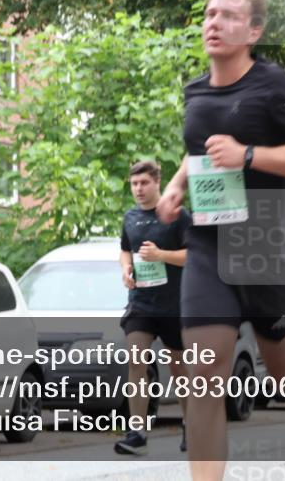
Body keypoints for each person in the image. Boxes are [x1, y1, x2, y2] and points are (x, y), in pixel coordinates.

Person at [156, 0, 285, 480]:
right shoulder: (196, 90)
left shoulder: (273, 85)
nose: (214, 22)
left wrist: (249, 155)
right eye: (210, 14)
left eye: (229, 16)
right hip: (208, 244)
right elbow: (199, 151)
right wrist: (176, 185)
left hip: (267, 246)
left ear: (254, 31)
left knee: (282, 372)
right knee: (203, 378)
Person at [116, 160, 192, 455]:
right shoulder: (130, 218)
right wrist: (125, 270)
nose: (138, 189)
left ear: (157, 182)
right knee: (136, 360)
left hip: (174, 303)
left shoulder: (177, 215)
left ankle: (190, 424)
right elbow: (125, 249)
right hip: (141, 303)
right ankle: (137, 432)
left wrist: (161, 255)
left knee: (178, 368)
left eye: (144, 183)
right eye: (134, 184)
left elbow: (193, 255)